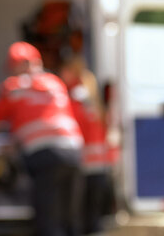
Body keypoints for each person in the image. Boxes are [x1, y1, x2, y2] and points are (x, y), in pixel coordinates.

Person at [0, 42, 83, 236]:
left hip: (44, 156)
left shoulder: (14, 87)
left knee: (48, 220)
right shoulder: (55, 82)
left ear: (19, 65)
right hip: (74, 151)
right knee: (69, 218)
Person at [59, 54, 114, 234]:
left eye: (63, 70)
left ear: (70, 71)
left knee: (79, 210)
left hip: (82, 159)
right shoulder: (90, 93)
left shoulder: (74, 95)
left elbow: (73, 123)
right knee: (94, 212)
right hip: (99, 161)